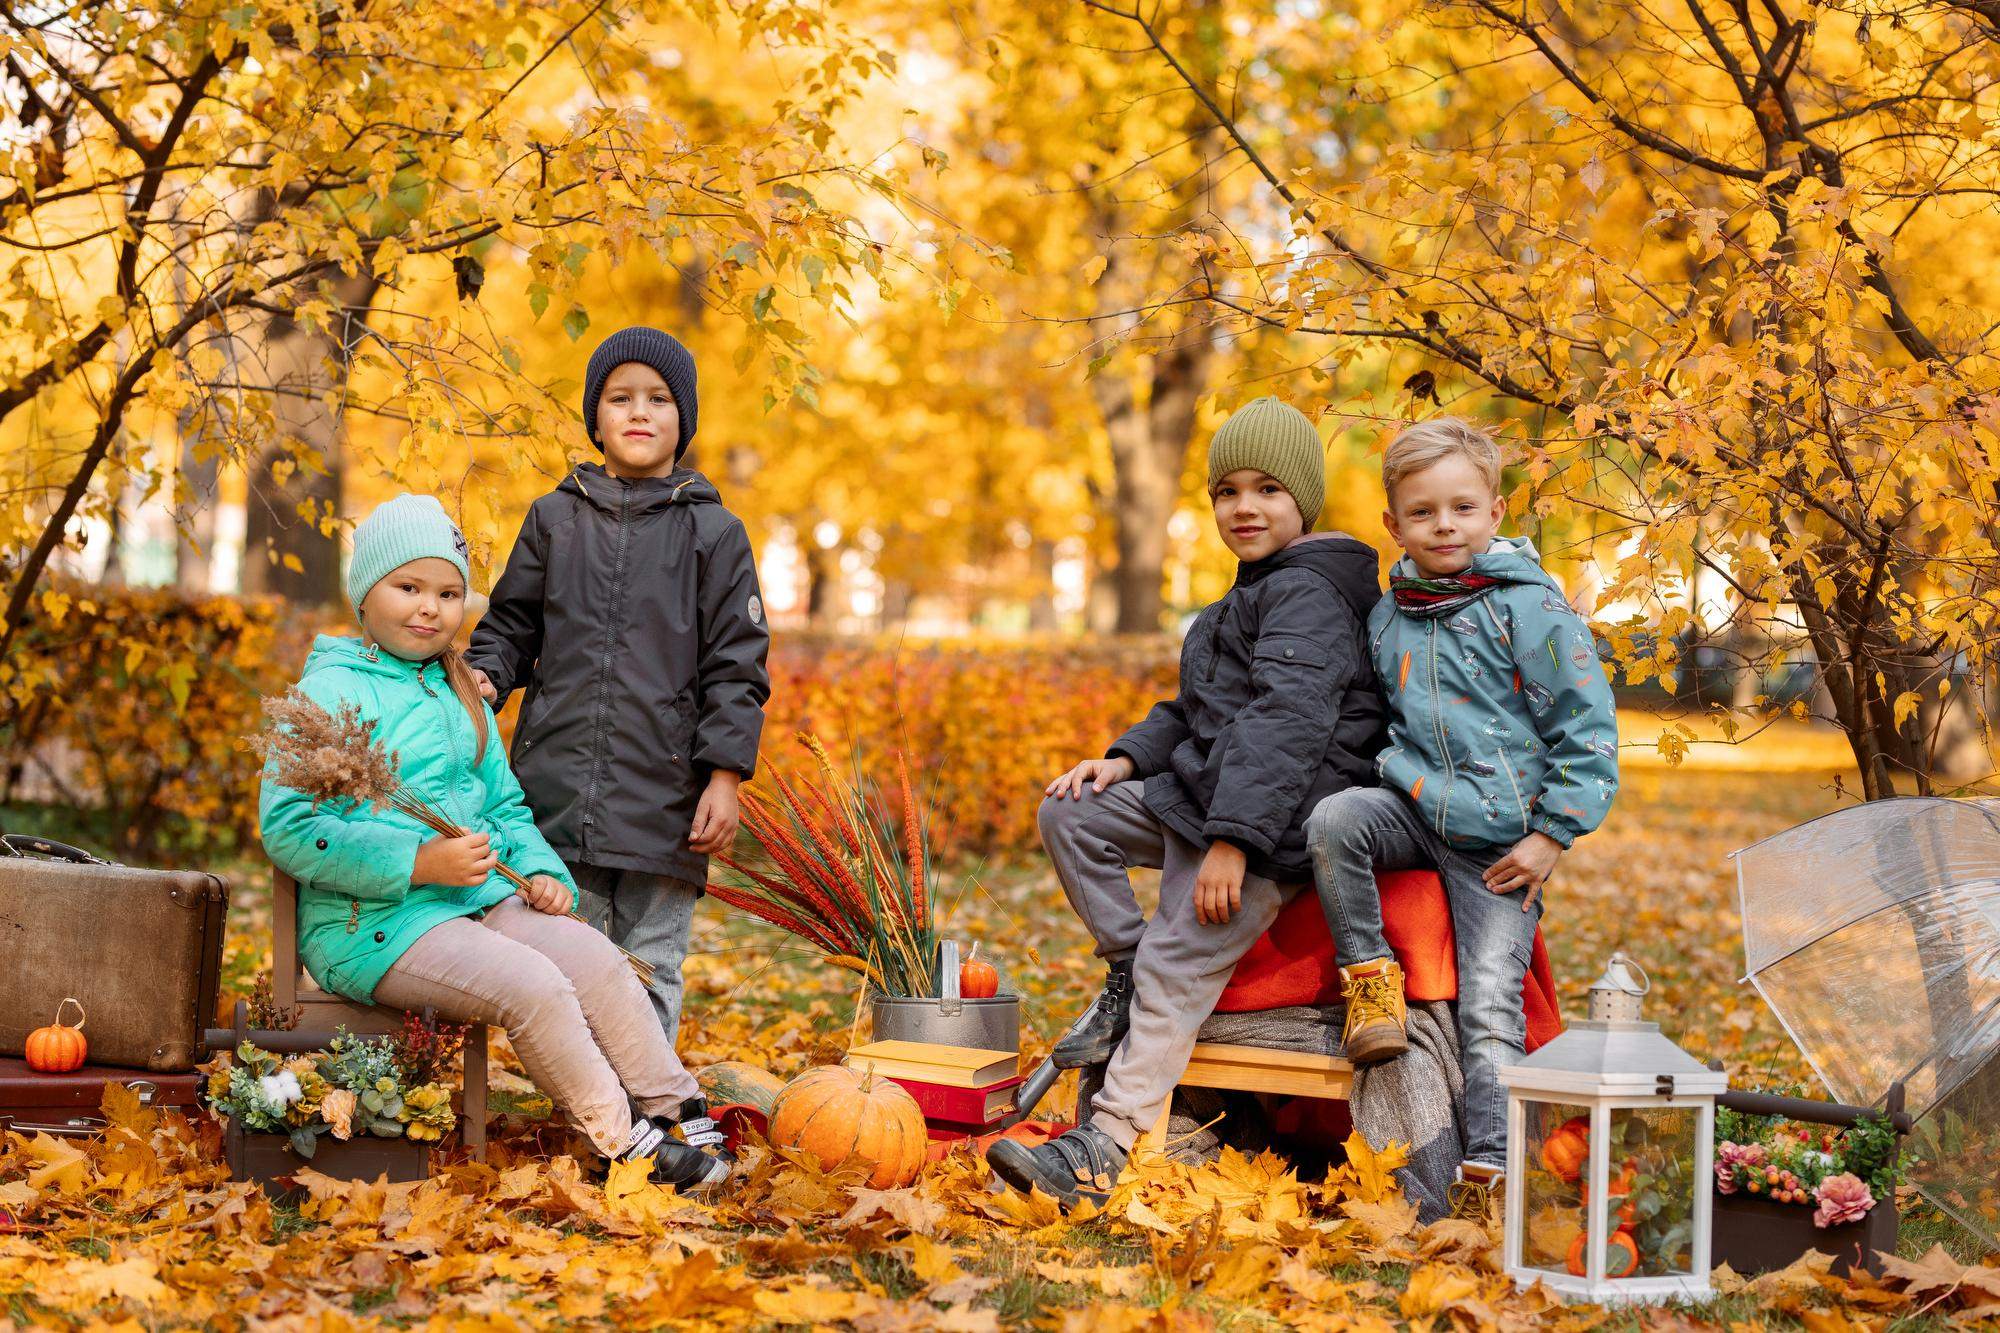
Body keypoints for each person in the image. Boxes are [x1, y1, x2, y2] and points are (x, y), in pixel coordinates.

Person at [259, 494, 731, 1190]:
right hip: (375, 925)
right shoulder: (331, 691)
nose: (430, 608)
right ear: (366, 594)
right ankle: (622, 1142)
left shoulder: (462, 689)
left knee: (595, 958)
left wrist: (540, 872)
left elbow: (503, 802)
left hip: (479, 900)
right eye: (408, 587)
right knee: (535, 984)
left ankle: (675, 1105)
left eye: (449, 593)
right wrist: (418, 861)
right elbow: (290, 829)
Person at [987, 397, 1388, 1209]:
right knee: (1071, 813)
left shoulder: (1310, 596)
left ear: (1303, 501)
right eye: (1227, 491)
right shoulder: (1239, 600)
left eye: (1268, 489)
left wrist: (1234, 844)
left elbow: (1284, 725)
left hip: (1274, 826)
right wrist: (1123, 757)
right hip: (1209, 800)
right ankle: (1127, 968)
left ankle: (1105, 1142)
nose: (1244, 506)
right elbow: (1192, 711)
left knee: (1181, 955)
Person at [1304, 416, 1619, 1220]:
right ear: (1394, 524)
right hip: (1413, 809)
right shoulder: (1390, 616)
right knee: (1336, 819)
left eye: (1463, 508)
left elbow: (1586, 730)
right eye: (1424, 512)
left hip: (1500, 844)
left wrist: (1551, 834)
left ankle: (1488, 1165)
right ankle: (1370, 984)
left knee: (1487, 1001)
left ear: (1496, 511)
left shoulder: (1532, 609)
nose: (1445, 525)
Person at [466, 326, 770, 1050]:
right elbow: (511, 624)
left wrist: (724, 776)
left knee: (648, 967)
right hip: (557, 790)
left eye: (659, 399)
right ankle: (586, 1112)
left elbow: (738, 664)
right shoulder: (553, 518)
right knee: (567, 962)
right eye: (620, 397)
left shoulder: (714, 534)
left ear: (683, 420)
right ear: (595, 417)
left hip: (665, 800)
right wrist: (484, 676)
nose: (640, 412)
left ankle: (651, 1112)